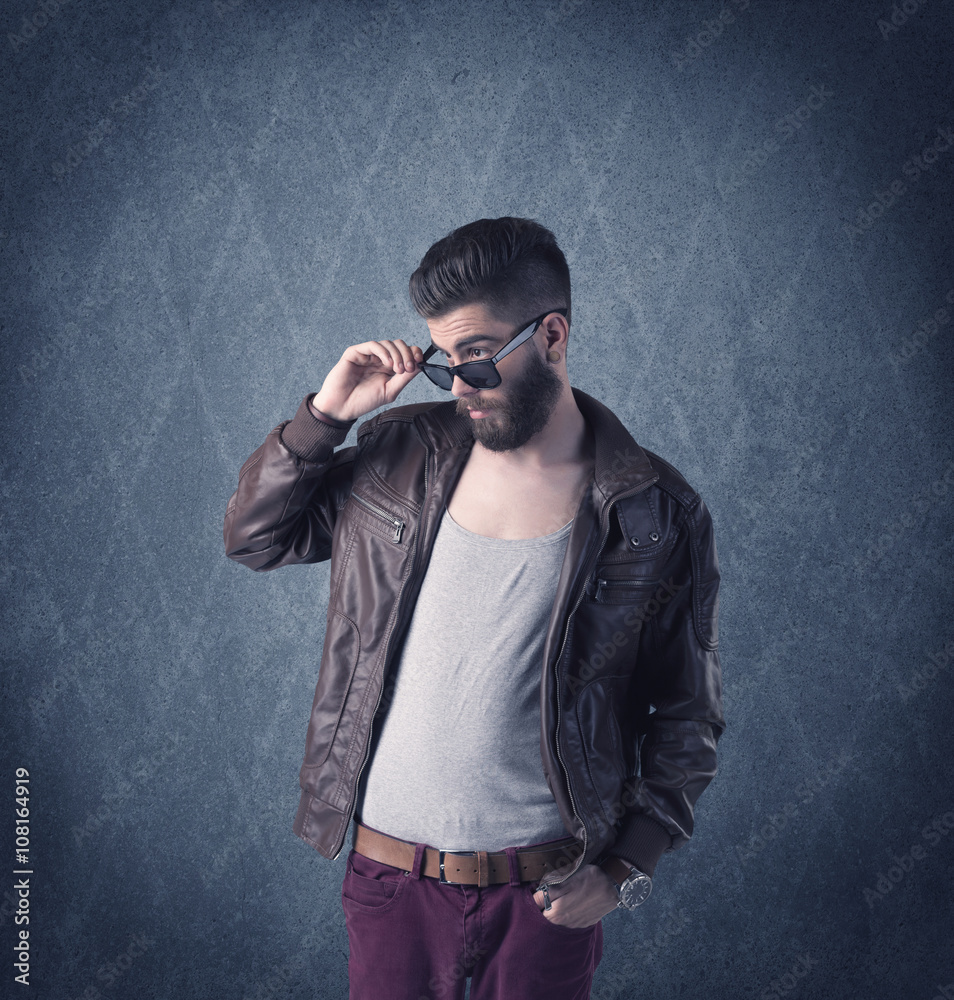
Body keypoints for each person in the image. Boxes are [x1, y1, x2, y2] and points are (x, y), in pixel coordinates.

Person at [223, 216, 725, 1000]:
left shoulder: (652, 513)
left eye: (478, 358)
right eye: (444, 363)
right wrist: (325, 416)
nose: (460, 385)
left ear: (552, 335)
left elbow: (688, 717)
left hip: (544, 897)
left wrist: (626, 867)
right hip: (389, 881)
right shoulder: (398, 455)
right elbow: (256, 538)